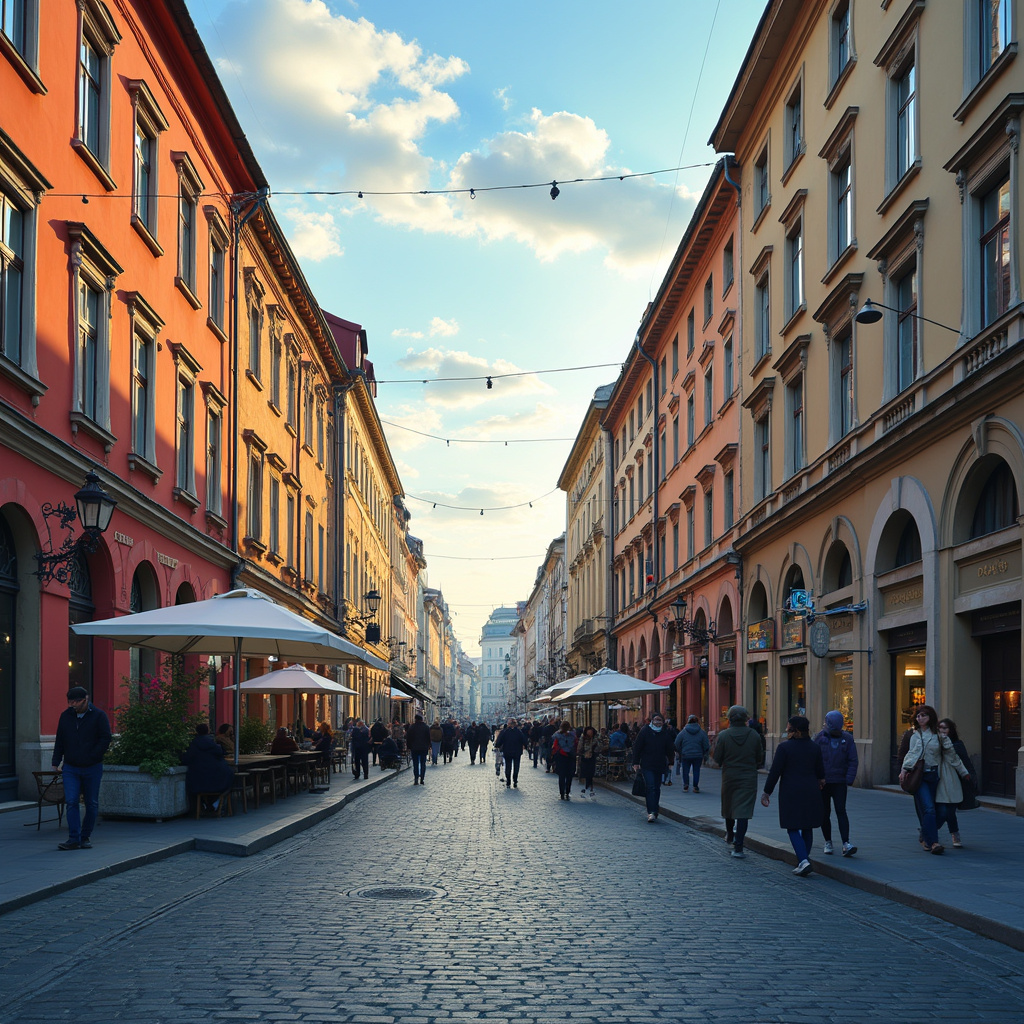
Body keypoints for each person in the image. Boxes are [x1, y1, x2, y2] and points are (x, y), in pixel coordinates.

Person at [899, 704, 970, 855]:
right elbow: (911, 754)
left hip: (935, 776)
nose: (920, 718)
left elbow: (952, 756)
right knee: (929, 809)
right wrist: (904, 770)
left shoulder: (939, 736)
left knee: (939, 811)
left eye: (923, 715)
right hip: (920, 777)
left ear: (930, 717)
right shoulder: (915, 735)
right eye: (918, 716)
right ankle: (933, 843)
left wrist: (964, 773)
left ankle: (925, 836)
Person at [761, 716, 825, 876]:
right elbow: (821, 772)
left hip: (791, 790)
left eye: (788, 727)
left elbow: (775, 772)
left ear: (795, 730)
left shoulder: (784, 748)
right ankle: (804, 860)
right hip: (811, 789)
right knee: (807, 826)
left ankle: (803, 860)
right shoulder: (814, 747)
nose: (786, 729)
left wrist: (766, 791)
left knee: (792, 826)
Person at [51, 686, 112, 851]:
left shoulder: (99, 716)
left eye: (76, 701)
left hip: (92, 766)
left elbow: (106, 738)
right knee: (71, 801)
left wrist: (94, 755)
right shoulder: (66, 716)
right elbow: (60, 739)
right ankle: (73, 838)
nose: (73, 705)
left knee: (91, 803)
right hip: (71, 766)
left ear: (86, 699)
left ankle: (85, 836)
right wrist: (56, 761)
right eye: (70, 702)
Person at [714, 705, 765, 858]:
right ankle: (739, 847)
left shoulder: (723, 736)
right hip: (748, 777)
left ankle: (730, 833)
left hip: (729, 776)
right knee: (743, 812)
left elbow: (717, 759)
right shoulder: (754, 735)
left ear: (729, 718)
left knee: (729, 808)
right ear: (746, 719)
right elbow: (759, 758)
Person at [814, 710, 859, 856]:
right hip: (823, 782)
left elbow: (853, 759)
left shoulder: (847, 738)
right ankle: (828, 841)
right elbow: (814, 759)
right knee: (824, 813)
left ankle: (846, 842)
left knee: (840, 811)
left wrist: (848, 779)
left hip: (839, 781)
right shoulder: (820, 738)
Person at [937, 718, 977, 848]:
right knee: (944, 811)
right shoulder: (934, 743)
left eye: (945, 728)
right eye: (940, 728)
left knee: (950, 810)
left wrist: (969, 777)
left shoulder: (957, 744)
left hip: (955, 780)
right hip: (938, 780)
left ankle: (931, 830)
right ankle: (935, 831)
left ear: (951, 730)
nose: (942, 731)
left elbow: (964, 761)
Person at [182, 723, 235, 812]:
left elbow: (186, 759)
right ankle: (217, 803)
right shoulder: (214, 744)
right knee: (231, 776)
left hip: (198, 783)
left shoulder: (192, 745)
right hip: (217, 780)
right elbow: (222, 753)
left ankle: (205, 804)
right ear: (208, 731)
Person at [632, 712, 674, 822]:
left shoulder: (665, 733)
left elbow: (669, 749)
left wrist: (671, 762)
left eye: (660, 720)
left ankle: (655, 810)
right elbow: (637, 747)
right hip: (647, 764)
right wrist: (635, 762)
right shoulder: (645, 731)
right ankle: (651, 812)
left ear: (663, 722)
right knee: (650, 787)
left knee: (656, 787)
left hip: (659, 764)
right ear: (652, 721)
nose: (658, 722)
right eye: (656, 720)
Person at [674, 715, 710, 792]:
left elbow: (676, 743)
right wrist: (704, 752)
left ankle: (686, 785)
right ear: (697, 722)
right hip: (698, 755)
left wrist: (680, 751)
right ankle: (695, 786)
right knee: (696, 770)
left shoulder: (683, 732)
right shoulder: (702, 732)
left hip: (685, 754)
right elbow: (706, 744)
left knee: (685, 771)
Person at [497, 717, 528, 788]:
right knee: (516, 766)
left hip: (507, 752)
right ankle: (515, 780)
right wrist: (526, 746)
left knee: (508, 766)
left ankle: (508, 781)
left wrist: (498, 746)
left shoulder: (505, 732)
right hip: (517, 752)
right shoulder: (519, 732)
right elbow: (524, 740)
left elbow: (499, 741)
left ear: (509, 724)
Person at [551, 720, 578, 799]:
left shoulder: (556, 735)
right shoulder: (573, 735)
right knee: (569, 775)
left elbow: (553, 745)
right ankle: (567, 791)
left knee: (562, 776)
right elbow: (575, 745)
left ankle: (562, 792)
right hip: (570, 757)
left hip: (561, 757)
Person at [406, 712, 431, 784]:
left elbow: (408, 738)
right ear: (422, 719)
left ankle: (416, 778)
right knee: (423, 763)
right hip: (424, 748)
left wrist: (408, 747)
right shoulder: (426, 727)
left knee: (415, 764)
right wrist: (429, 745)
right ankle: (422, 778)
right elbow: (428, 737)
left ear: (415, 719)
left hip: (414, 748)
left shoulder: (412, 727)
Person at [577, 725, 600, 799]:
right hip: (584, 758)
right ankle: (585, 788)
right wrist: (582, 753)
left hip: (592, 757)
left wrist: (595, 751)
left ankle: (590, 788)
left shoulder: (595, 738)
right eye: (589, 732)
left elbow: (599, 747)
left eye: (591, 732)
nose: (590, 733)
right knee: (585, 773)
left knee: (591, 773)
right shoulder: (583, 738)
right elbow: (580, 747)